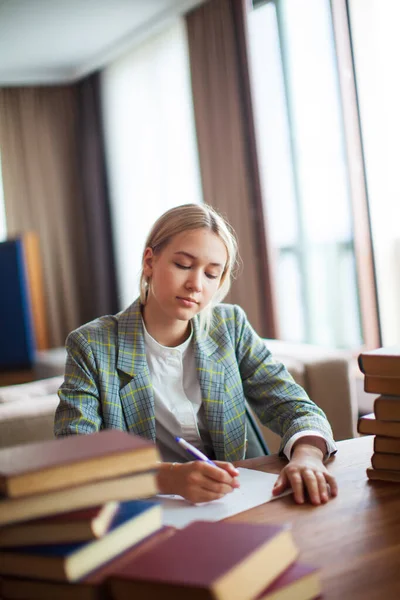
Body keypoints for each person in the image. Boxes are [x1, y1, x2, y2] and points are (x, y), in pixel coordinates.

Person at [55, 203, 338, 506]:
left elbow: (295, 406)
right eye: (183, 265)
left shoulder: (230, 327)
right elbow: (76, 456)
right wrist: (167, 477)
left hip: (238, 502)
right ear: (149, 261)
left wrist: (307, 456)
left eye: (211, 273)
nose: (195, 284)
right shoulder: (92, 345)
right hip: (146, 511)